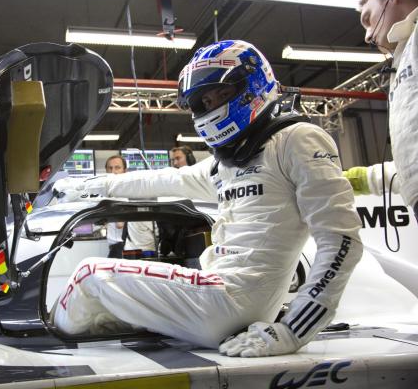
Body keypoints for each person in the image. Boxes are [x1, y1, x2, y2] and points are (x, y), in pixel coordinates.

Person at [52, 40, 362, 357]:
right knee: (104, 314)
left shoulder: (296, 139)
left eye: (220, 94)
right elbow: (157, 179)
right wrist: (84, 186)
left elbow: (342, 241)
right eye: (203, 99)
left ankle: (46, 346)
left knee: (89, 275)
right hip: (221, 295)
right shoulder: (225, 164)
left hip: (228, 300)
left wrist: (294, 330)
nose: (210, 104)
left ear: (253, 85)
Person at [348, 0, 418, 221]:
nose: (368, 35)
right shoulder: (404, 57)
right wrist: (356, 179)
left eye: (368, 18)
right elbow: (412, 165)